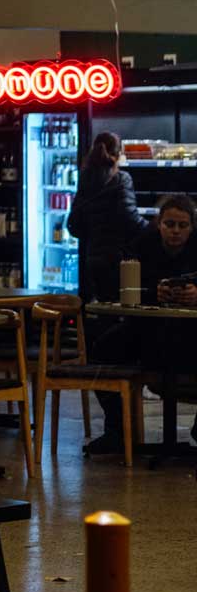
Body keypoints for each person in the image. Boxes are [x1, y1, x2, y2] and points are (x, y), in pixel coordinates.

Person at [87, 193, 197, 455]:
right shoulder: (142, 244)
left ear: (192, 226)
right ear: (159, 224)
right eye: (170, 224)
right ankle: (116, 429)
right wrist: (152, 292)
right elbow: (122, 285)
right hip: (150, 331)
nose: (175, 231)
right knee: (102, 349)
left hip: (190, 333)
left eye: (182, 226)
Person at [68, 131, 143, 303]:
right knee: (121, 307)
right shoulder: (121, 179)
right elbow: (129, 216)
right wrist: (152, 229)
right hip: (117, 257)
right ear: (118, 155)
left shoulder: (86, 180)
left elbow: (74, 222)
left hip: (93, 257)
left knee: (102, 307)